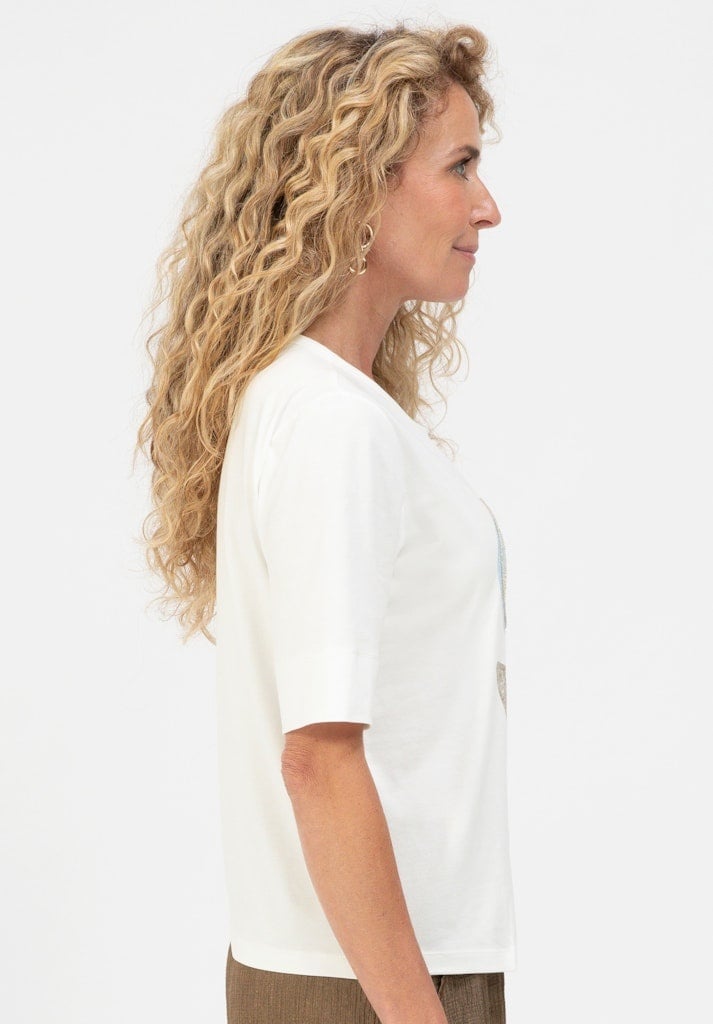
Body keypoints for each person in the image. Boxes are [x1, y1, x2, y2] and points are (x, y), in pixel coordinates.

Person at [135, 20, 515, 1024]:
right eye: (459, 167)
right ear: (358, 184)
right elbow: (318, 758)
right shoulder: (330, 424)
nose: (487, 205)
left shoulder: (316, 406)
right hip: (375, 983)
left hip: (358, 966)